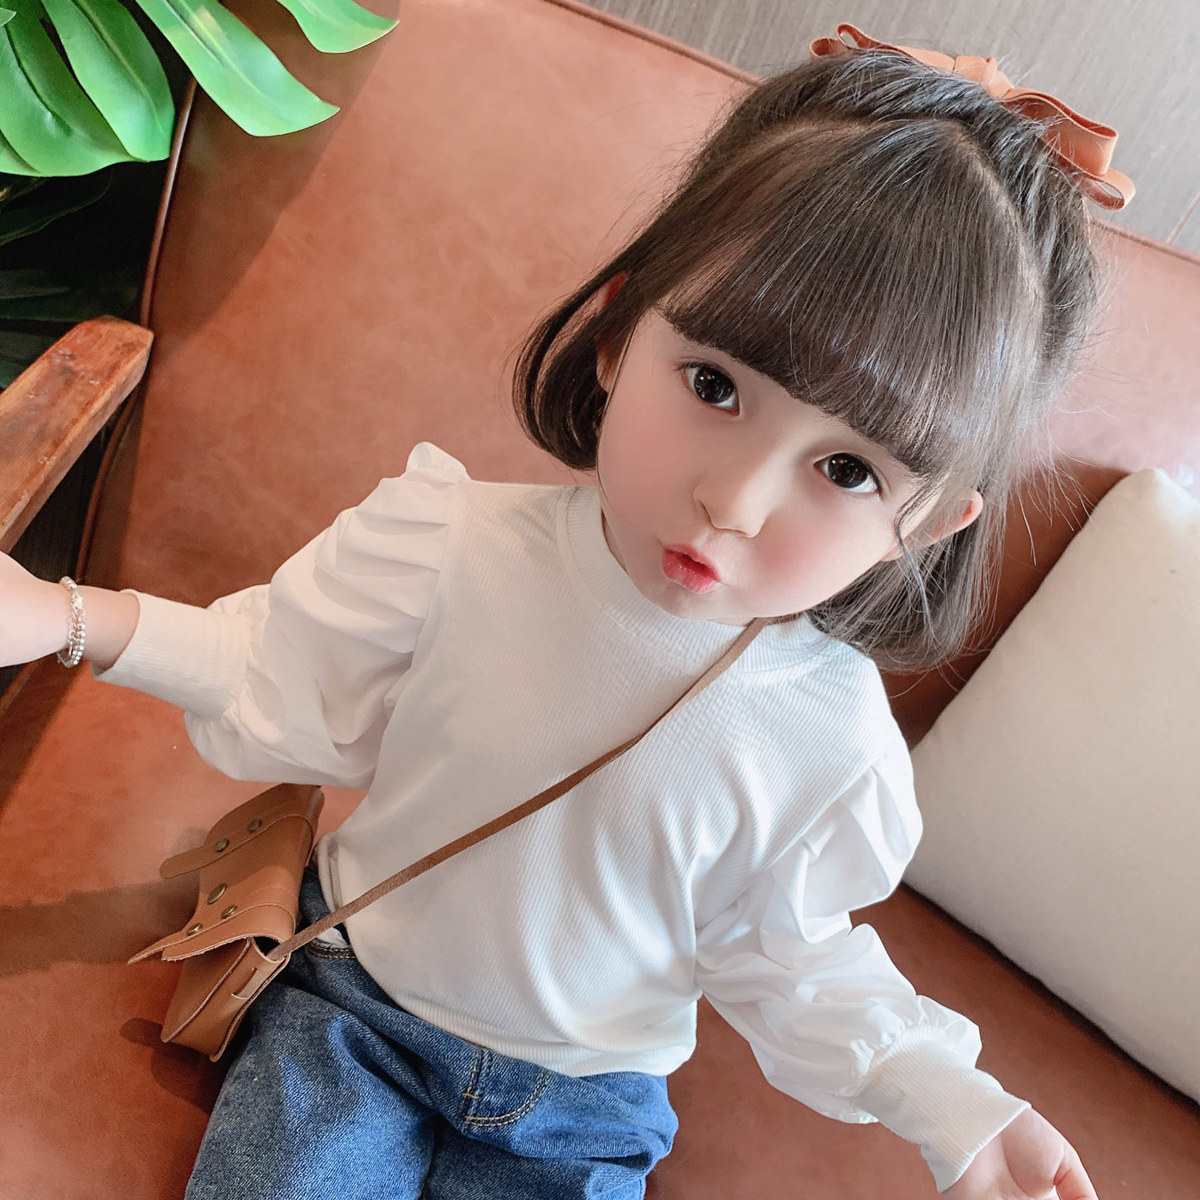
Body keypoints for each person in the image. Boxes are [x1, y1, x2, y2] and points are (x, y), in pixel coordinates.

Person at [0, 23, 1131, 1200]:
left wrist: (958, 1106)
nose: (733, 503)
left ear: (931, 522)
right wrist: (64, 616)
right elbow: (272, 671)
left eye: (848, 469)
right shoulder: (453, 546)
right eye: (714, 385)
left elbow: (791, 960)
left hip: (587, 1106)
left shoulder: (827, 743)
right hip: (355, 1014)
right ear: (616, 334)